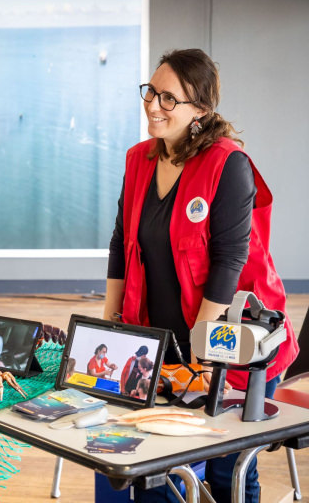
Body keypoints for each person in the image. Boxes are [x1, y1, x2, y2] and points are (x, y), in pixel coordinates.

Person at [103, 48, 299, 503]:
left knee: (229, 473)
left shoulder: (227, 164)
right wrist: (110, 321)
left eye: (168, 98)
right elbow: (120, 243)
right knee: (164, 466)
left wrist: (203, 351)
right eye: (150, 92)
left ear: (201, 111)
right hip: (164, 343)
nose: (153, 104)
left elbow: (230, 262)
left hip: (233, 342)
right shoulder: (139, 160)